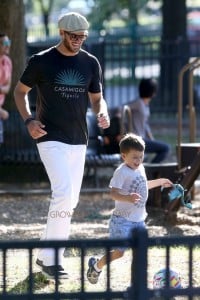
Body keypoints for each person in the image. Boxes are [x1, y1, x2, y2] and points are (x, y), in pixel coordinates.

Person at [14, 12, 110, 278]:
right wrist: (28, 120)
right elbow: (20, 92)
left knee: (70, 200)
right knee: (64, 193)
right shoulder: (41, 61)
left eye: (82, 37)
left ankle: (45, 256)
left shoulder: (90, 62)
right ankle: (53, 259)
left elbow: (97, 98)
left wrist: (103, 112)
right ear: (62, 33)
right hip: (49, 136)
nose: (78, 40)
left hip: (78, 138)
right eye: (73, 36)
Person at [87, 132, 173, 284]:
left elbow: (142, 186)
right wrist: (127, 198)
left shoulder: (140, 168)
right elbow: (113, 193)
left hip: (138, 220)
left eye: (141, 156)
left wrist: (160, 181)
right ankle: (96, 266)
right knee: (119, 252)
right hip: (122, 219)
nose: (138, 160)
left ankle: (138, 283)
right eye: (134, 157)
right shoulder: (121, 172)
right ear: (123, 156)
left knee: (140, 251)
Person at [129, 78, 170, 163]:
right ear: (153, 92)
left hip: (142, 137)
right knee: (166, 148)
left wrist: (151, 138)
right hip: (136, 139)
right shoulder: (139, 103)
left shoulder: (145, 104)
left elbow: (145, 124)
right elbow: (121, 108)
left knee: (163, 148)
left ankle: (150, 170)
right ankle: (150, 170)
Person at [0, 33, 12, 144]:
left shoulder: (8, 62)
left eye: (9, 42)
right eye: (4, 43)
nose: (8, 45)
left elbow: (7, 88)